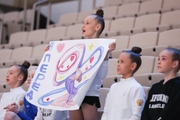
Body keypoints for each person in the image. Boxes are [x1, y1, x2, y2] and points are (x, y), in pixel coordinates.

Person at [69, 9, 116, 120]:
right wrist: (52, 52)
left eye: (87, 23)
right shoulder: (78, 48)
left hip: (90, 95)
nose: (83, 26)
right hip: (75, 93)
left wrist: (105, 55)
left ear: (97, 27)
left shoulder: (104, 48)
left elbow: (101, 76)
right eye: (83, 23)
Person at [4, 67, 69, 120]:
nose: (29, 79)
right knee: (9, 114)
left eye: (33, 76)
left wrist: (18, 111)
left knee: (10, 115)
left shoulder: (57, 96)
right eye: (29, 76)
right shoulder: (28, 98)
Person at [101, 47, 146, 120]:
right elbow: (106, 112)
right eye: (118, 61)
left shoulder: (136, 88)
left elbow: (136, 116)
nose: (118, 65)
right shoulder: (114, 87)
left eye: (122, 62)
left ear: (133, 66)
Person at [141, 47, 180, 120]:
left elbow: (171, 111)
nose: (159, 62)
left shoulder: (177, 86)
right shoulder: (154, 87)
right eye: (158, 58)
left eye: (163, 59)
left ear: (174, 64)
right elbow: (145, 112)